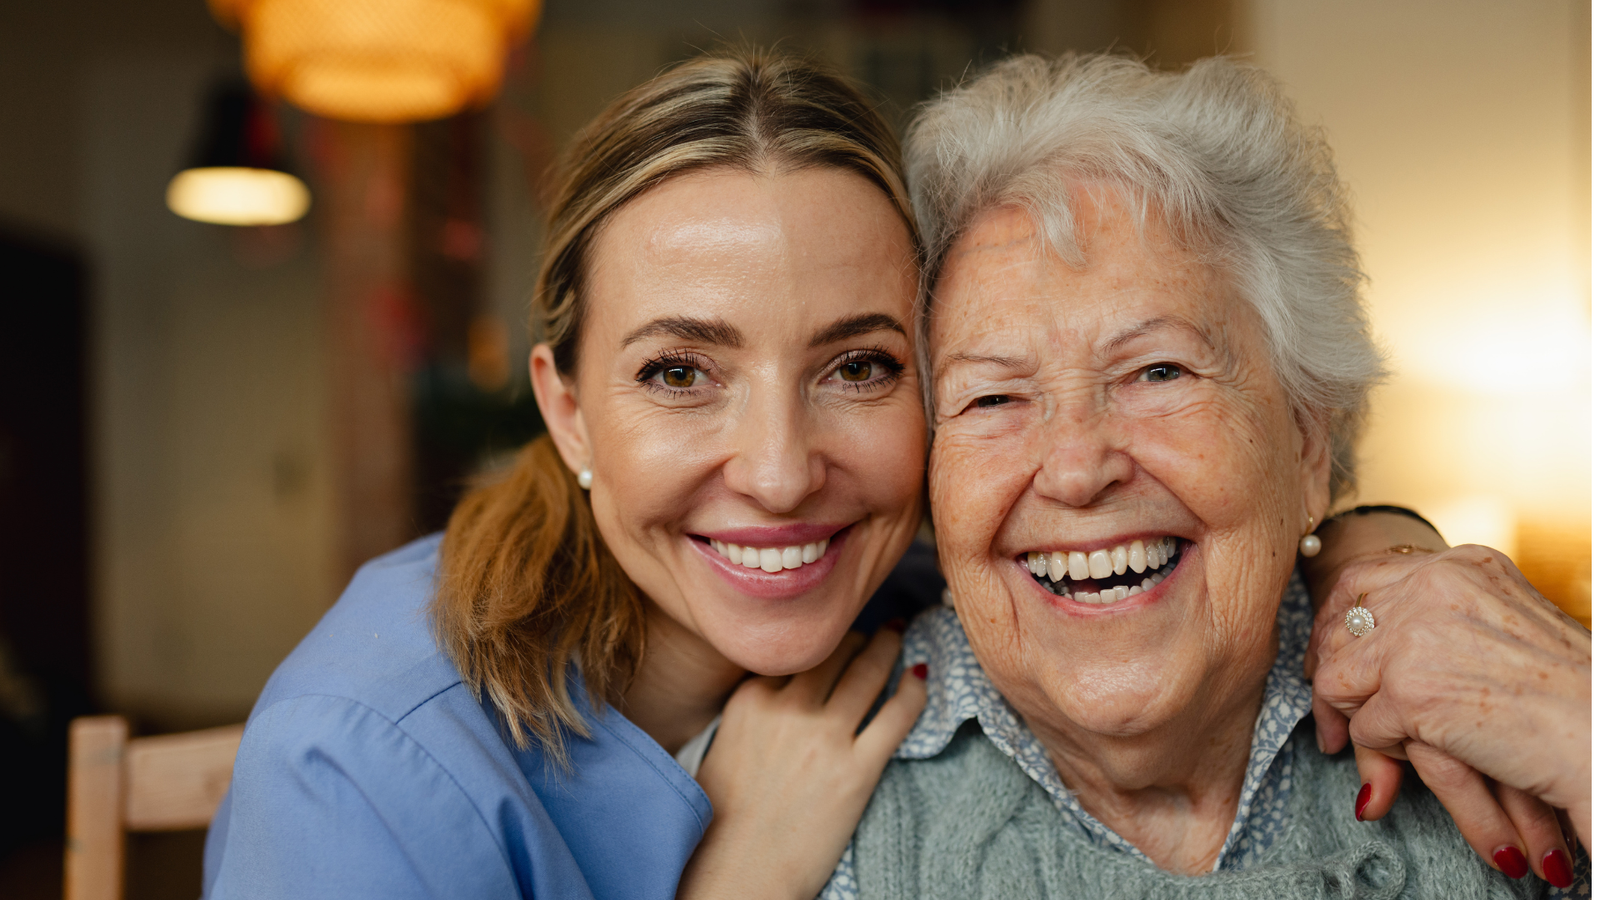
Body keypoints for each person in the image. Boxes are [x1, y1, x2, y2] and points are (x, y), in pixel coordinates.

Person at [200, 49, 1562, 900]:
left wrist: (1374, 552)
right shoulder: (361, 760)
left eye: (858, 365)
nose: (781, 474)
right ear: (566, 412)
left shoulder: (936, 576)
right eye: (678, 372)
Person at [826, 52, 1590, 899]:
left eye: (1158, 372)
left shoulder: (1506, 719)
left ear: (1307, 441)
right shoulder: (811, 812)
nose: (1077, 469)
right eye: (993, 397)